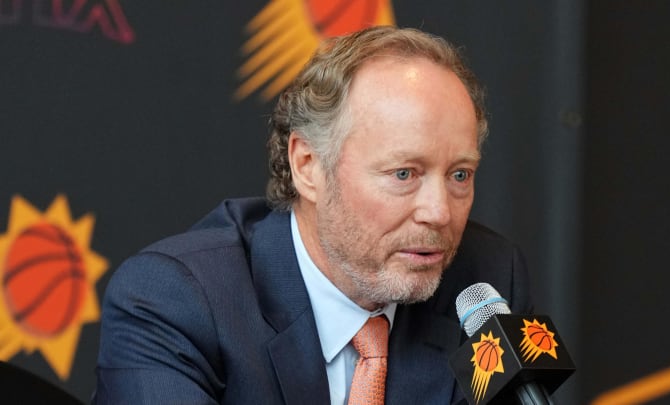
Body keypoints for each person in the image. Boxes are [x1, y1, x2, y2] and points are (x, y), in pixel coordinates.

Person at [93, 26, 532, 404]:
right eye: (404, 173)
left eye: (460, 174)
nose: (439, 212)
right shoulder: (176, 300)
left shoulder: (486, 280)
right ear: (308, 166)